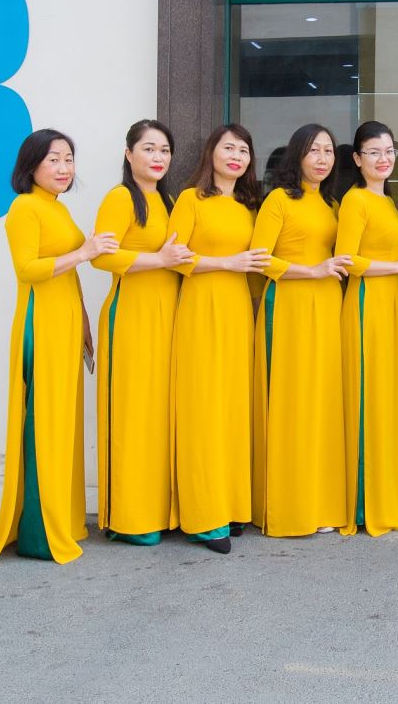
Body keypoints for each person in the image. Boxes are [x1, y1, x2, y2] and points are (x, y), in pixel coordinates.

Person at [0, 129, 117, 565]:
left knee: (62, 424)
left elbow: (68, 276)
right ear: (31, 166)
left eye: (68, 159)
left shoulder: (57, 208)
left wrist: (84, 323)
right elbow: (28, 269)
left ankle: (61, 519)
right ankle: (39, 534)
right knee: (43, 424)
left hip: (64, 323)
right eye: (53, 160)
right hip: (40, 324)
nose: (64, 168)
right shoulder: (24, 207)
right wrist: (85, 252)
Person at [166, 125, 270, 554]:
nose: (236, 156)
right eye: (229, 147)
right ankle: (204, 516)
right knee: (204, 410)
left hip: (238, 311)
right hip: (201, 308)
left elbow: (259, 264)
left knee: (233, 409)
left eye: (244, 150)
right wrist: (229, 262)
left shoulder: (250, 208)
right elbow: (175, 259)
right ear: (211, 153)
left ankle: (231, 506)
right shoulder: (191, 199)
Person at [90, 120, 194, 545]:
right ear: (128, 154)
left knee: (159, 414)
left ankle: (159, 510)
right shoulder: (121, 197)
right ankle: (130, 517)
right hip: (132, 314)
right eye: (148, 148)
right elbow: (101, 257)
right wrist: (160, 260)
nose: (158, 157)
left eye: (164, 150)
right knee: (133, 413)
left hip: (168, 314)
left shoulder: (169, 200)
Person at [250, 124, 353, 537]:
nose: (323, 158)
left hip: (327, 307)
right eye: (314, 151)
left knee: (322, 404)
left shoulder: (331, 203)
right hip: (289, 306)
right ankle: (289, 507)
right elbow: (260, 259)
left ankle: (321, 503)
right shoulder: (279, 199)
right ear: (297, 155)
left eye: (328, 150)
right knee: (292, 404)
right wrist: (312, 270)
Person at [335, 121, 398, 536]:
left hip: (392, 302)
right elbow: (346, 260)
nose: (383, 158)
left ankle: (389, 490)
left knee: (389, 397)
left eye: (389, 151)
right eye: (373, 152)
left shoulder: (389, 201)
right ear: (357, 160)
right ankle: (365, 502)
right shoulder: (355, 200)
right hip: (367, 304)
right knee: (369, 398)